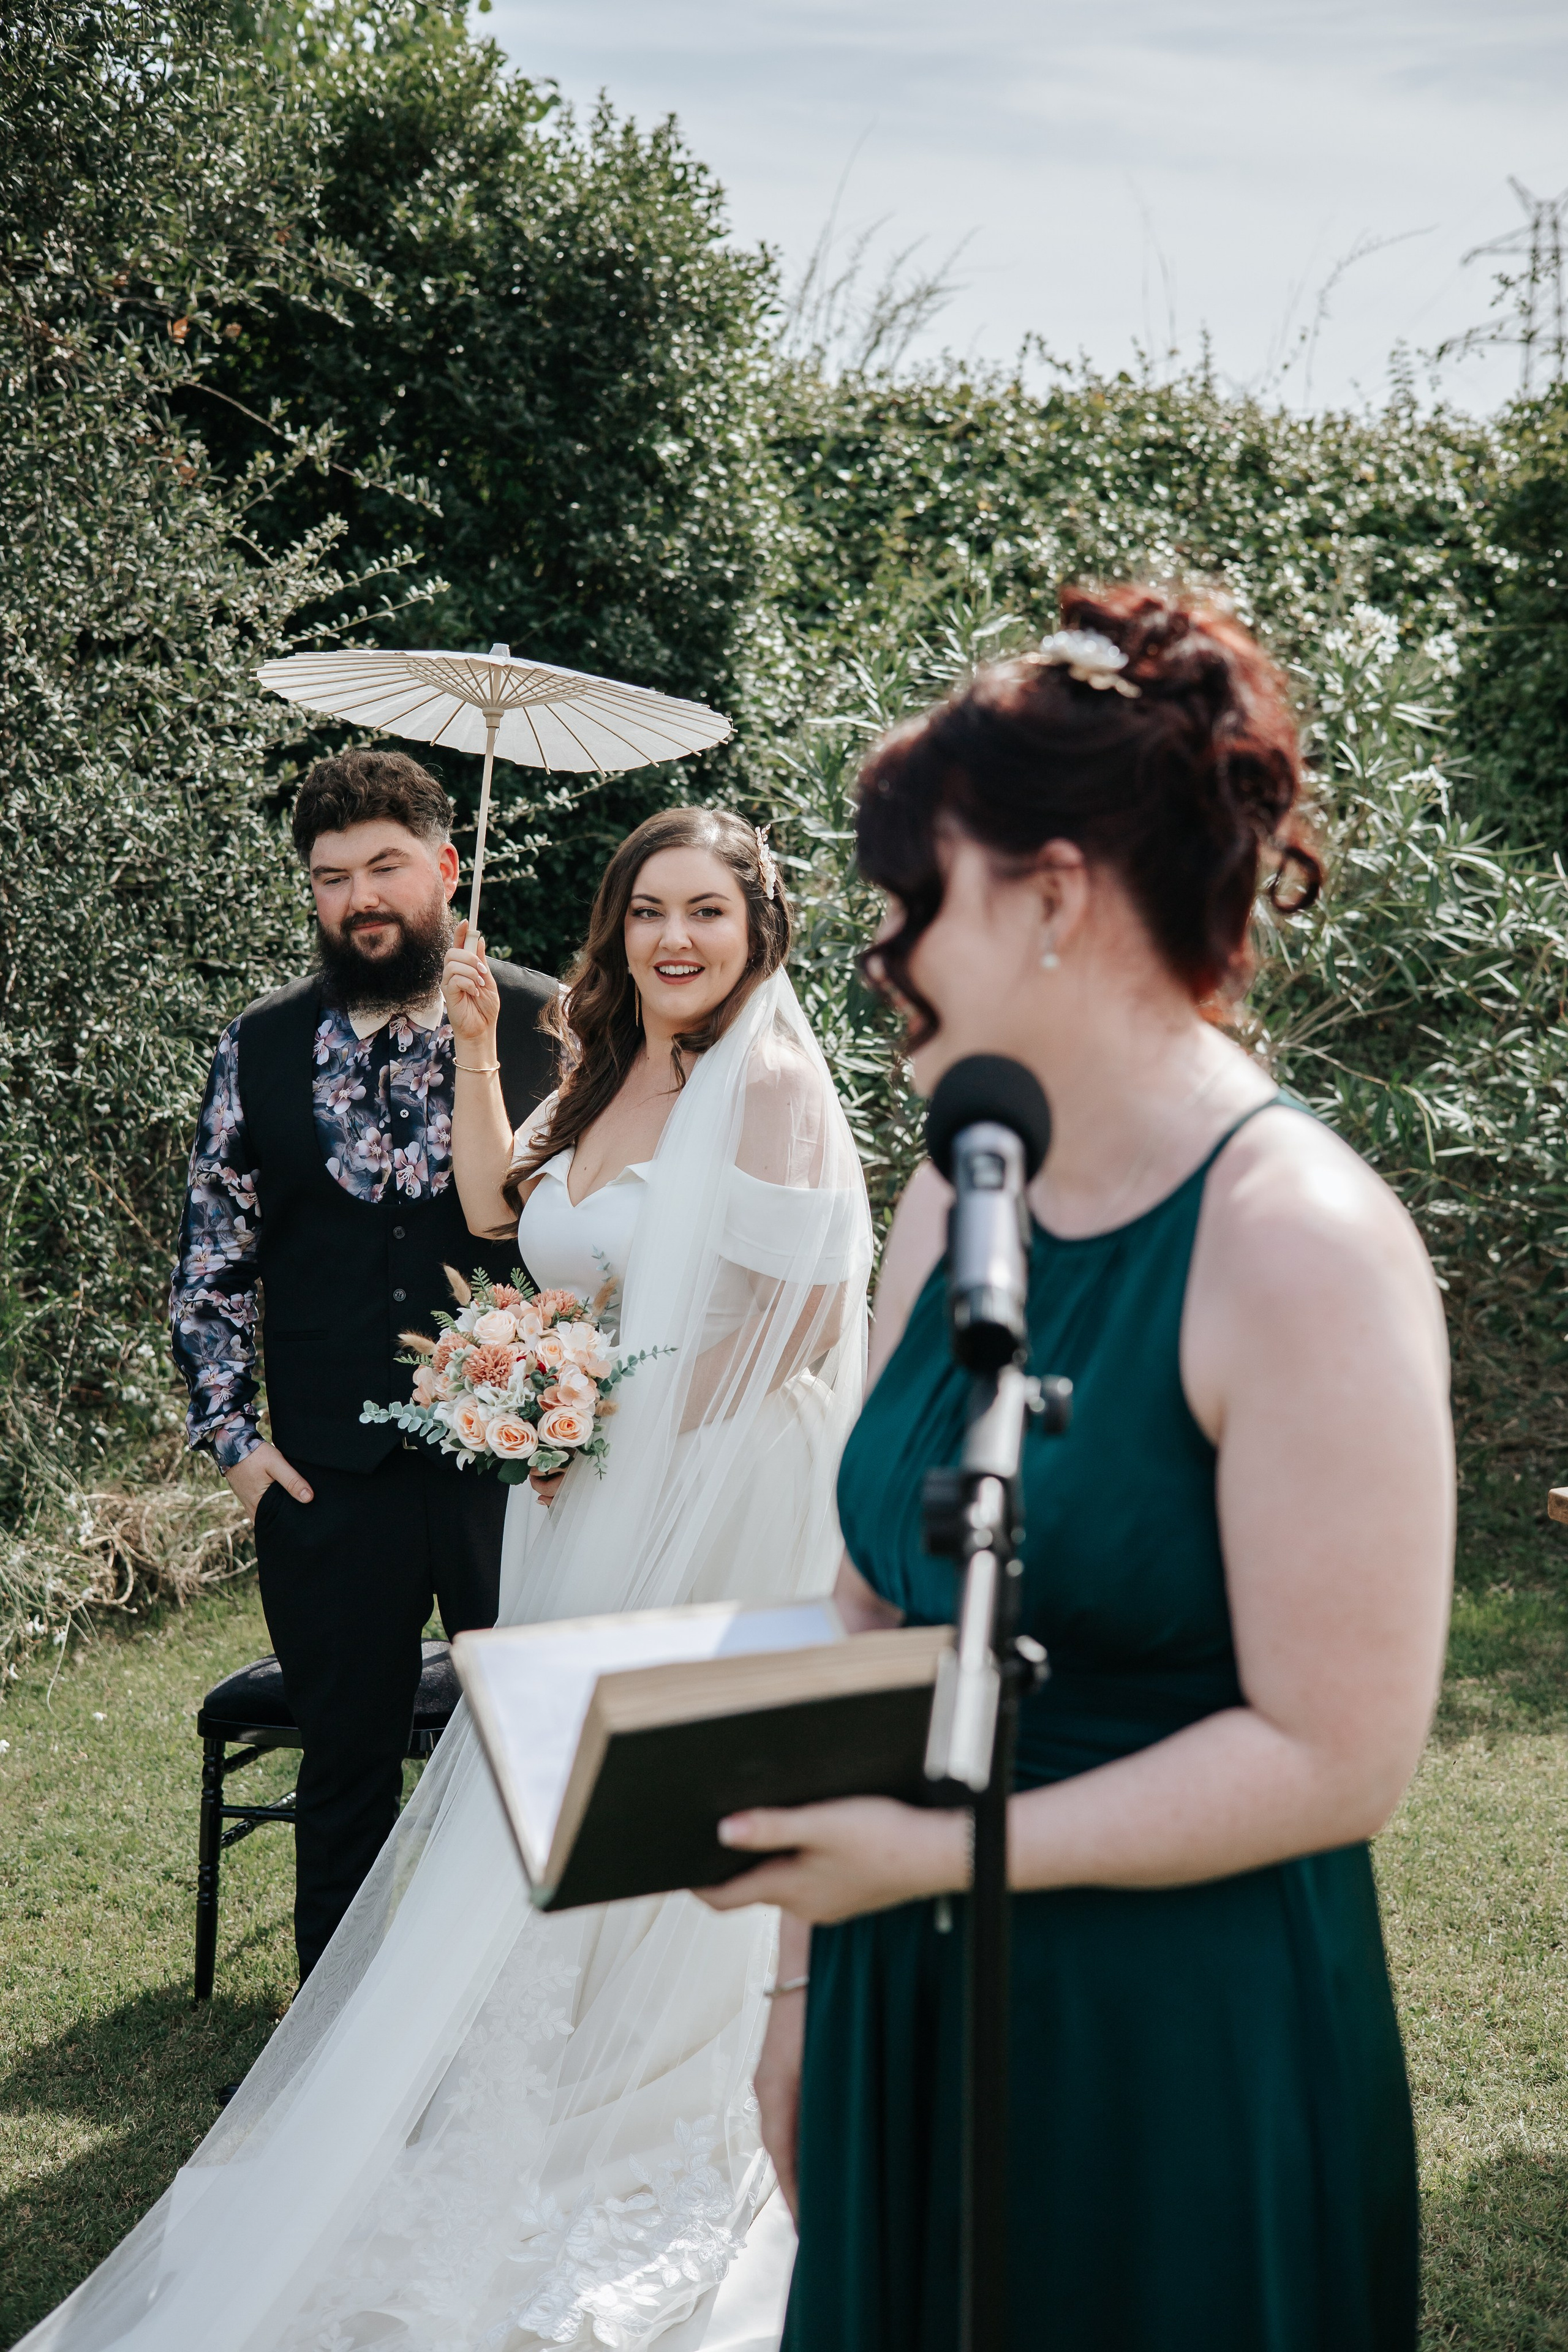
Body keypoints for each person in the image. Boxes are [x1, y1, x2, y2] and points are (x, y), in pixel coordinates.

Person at [703, 589, 1455, 2351]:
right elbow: (880, 1588)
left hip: (1177, 2041)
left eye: (913, 900)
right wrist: (806, 1985)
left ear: (1050, 896)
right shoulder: (952, 1189)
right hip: (905, 1984)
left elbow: (1336, 1758)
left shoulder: (1299, 1242)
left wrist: (935, 1860)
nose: (880, 952)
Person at [28, 805, 870, 2352]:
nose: (674, 940)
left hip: (684, 1499)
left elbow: (800, 1329)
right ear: (613, 929)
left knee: (638, 1796)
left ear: (756, 931)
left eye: (705, 913)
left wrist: (595, 1417)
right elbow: (505, 1216)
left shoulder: (767, 1087)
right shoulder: (594, 1064)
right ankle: (441, 2057)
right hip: (552, 1487)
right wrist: (485, 1057)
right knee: (505, 1781)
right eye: (646, 913)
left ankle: (654, 2078)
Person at [170, 745, 556, 1978]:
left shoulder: (551, 1025)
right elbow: (211, 1264)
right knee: (341, 1771)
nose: (360, 896)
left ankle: (511, 2027)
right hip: (326, 1482)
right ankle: (329, 2075)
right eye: (332, 877)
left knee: (525, 1755)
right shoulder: (258, 1046)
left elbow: (600, 1243)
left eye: (386, 864)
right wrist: (236, 1446)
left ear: (446, 867)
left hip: (514, 1471)